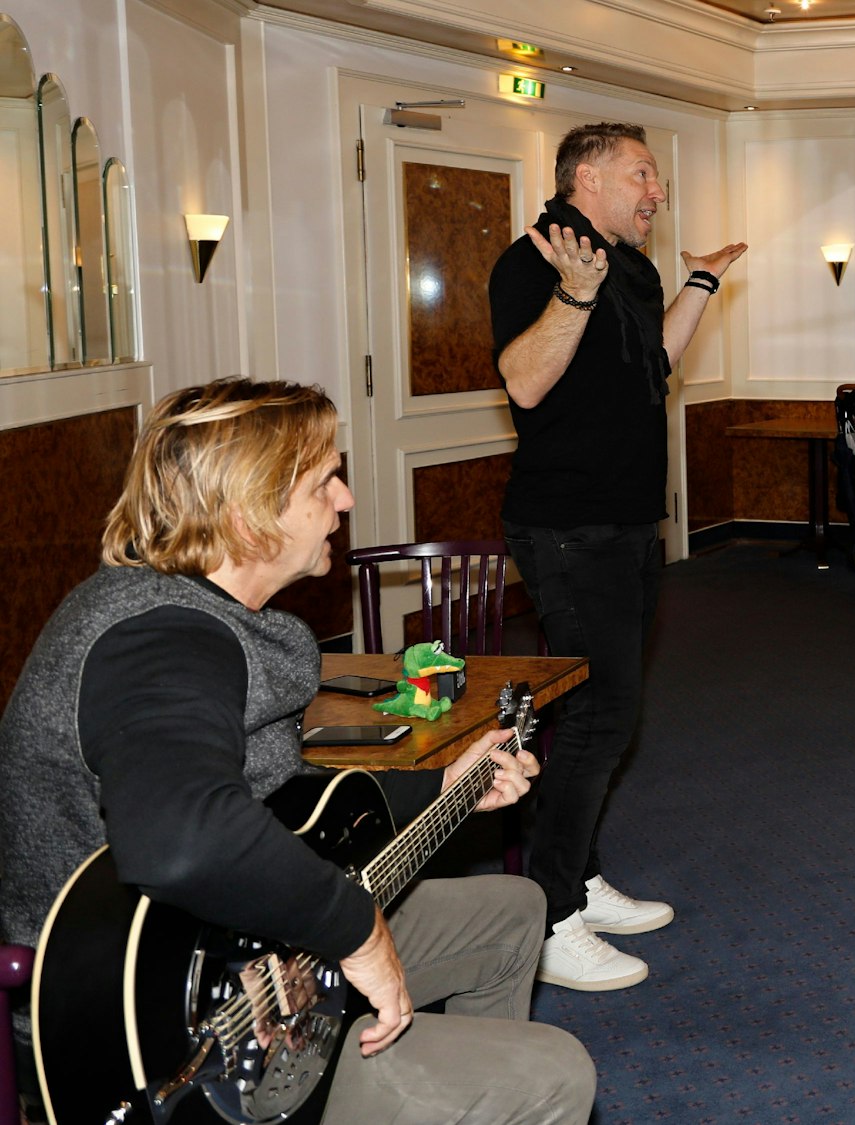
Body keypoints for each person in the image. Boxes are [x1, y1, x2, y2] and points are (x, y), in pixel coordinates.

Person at [0, 379, 594, 1120]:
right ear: (249, 517)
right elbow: (180, 839)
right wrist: (358, 933)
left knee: (511, 910)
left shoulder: (191, 611)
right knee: (555, 1073)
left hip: (242, 939)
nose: (345, 500)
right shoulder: (160, 638)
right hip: (163, 1031)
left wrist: (448, 782)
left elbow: (287, 798)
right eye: (323, 483)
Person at [488, 121, 746, 990]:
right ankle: (550, 917)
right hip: (569, 527)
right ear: (587, 178)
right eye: (643, 174)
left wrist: (700, 281)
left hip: (631, 523)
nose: (657, 192)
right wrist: (573, 295)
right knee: (600, 716)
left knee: (607, 716)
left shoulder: (630, 267)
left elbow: (653, 367)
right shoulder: (532, 262)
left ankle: (582, 878)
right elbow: (525, 383)